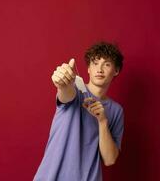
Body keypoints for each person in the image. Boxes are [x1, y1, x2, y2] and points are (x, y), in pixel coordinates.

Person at [33, 41, 124, 181]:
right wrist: (63, 83)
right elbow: (66, 93)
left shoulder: (116, 111)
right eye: (95, 63)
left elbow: (110, 159)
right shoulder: (74, 89)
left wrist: (103, 121)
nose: (99, 69)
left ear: (116, 70)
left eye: (106, 64)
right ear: (88, 69)